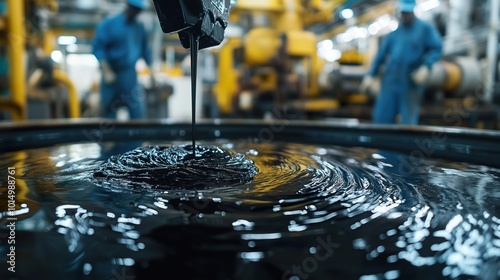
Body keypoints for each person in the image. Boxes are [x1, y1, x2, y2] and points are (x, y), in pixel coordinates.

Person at [360, 0, 443, 125]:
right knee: (382, 119)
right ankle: (381, 143)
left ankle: (405, 143)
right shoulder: (394, 34)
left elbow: (437, 48)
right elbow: (380, 56)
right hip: (390, 80)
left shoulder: (424, 29)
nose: (405, 15)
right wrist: (370, 75)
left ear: (413, 11)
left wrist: (426, 67)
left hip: (410, 81)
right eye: (403, 12)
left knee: (408, 121)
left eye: (407, 12)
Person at [91, 0, 153, 119]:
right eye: (135, 9)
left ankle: (135, 137)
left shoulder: (139, 28)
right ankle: (109, 137)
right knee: (109, 111)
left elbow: (146, 51)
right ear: (128, 6)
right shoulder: (109, 24)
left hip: (129, 75)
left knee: (137, 112)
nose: (137, 12)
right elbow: (98, 47)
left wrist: (152, 74)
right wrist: (106, 70)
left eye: (139, 10)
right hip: (111, 74)